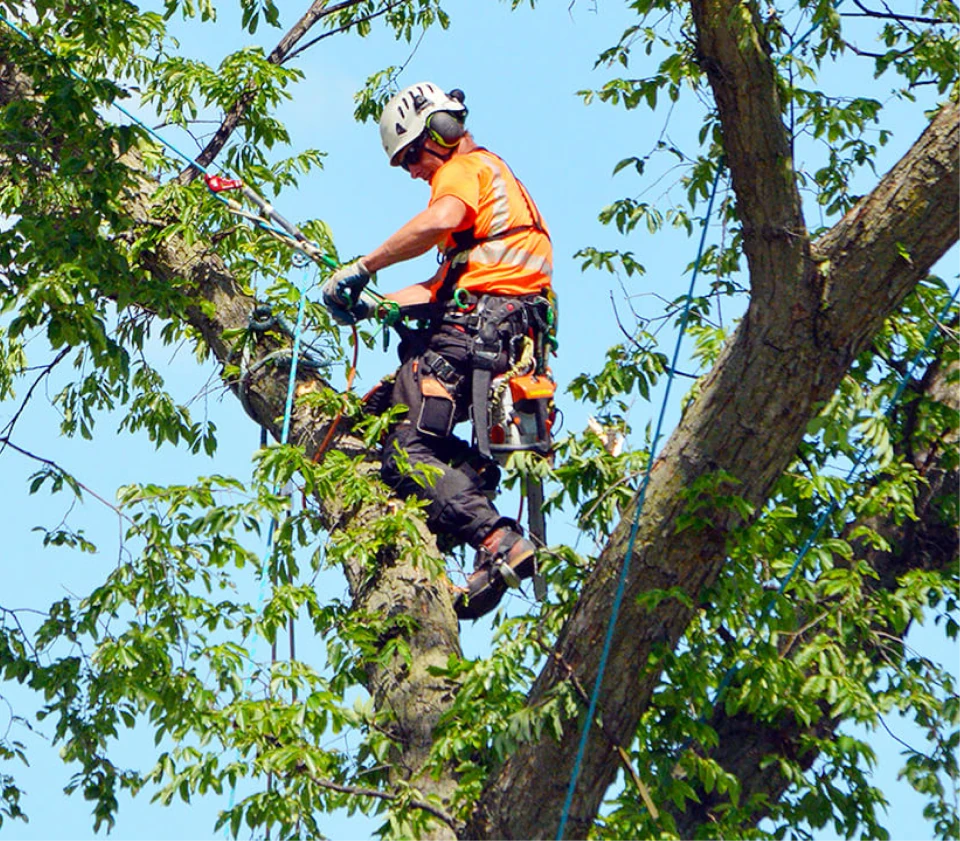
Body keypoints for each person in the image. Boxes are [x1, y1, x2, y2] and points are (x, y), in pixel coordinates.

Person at [322, 81, 554, 620]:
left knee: (404, 450)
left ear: (440, 132)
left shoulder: (463, 170)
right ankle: (474, 490)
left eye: (410, 156)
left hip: (480, 328)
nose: (411, 172)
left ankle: (495, 536)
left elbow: (437, 221)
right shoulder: (493, 201)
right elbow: (438, 287)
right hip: (495, 328)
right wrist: (374, 305)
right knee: (396, 430)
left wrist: (364, 266)